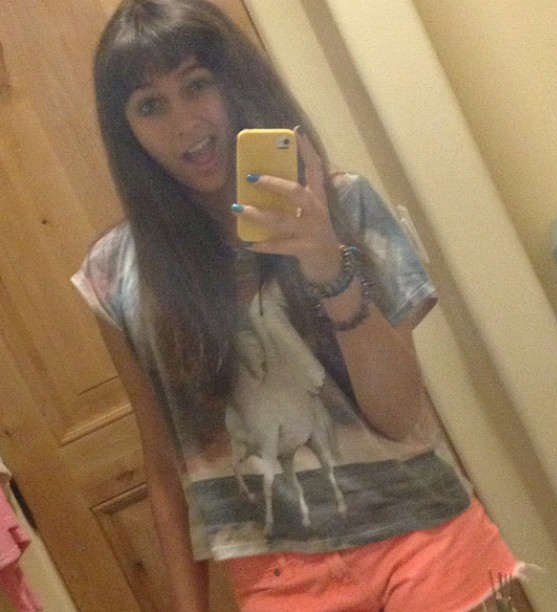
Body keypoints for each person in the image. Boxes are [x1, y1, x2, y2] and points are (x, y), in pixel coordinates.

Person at [72, 1, 529, 610]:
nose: (184, 123)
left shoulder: (344, 206)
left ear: (232, 80)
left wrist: (325, 260)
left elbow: (400, 416)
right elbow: (163, 457)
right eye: (149, 106)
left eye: (197, 84)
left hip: (424, 540)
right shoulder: (116, 275)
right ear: (125, 128)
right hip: (277, 575)